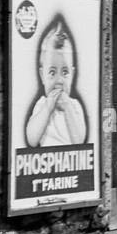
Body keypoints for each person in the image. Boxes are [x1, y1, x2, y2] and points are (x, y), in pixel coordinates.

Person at [25, 18, 88, 148]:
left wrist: (68, 108)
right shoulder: (42, 105)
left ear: (73, 74)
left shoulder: (75, 106)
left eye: (65, 73)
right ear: (42, 76)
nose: (59, 80)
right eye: (52, 73)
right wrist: (48, 108)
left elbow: (79, 140)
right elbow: (32, 139)